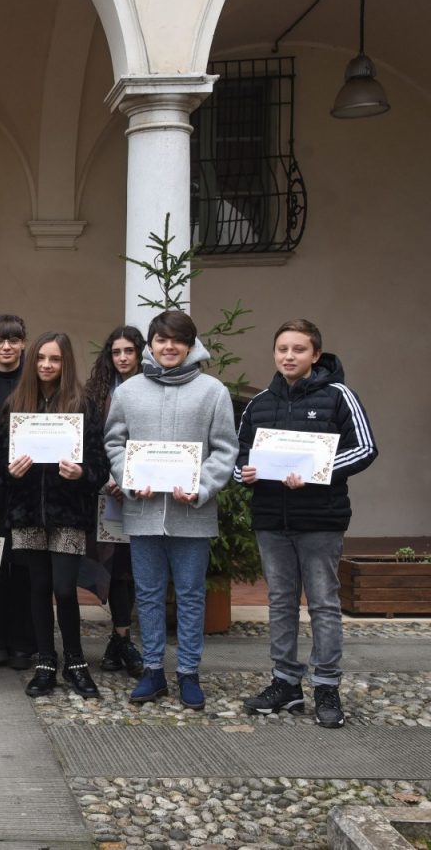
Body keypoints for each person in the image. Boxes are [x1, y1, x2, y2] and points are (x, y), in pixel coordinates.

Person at [237, 319, 377, 729]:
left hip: (320, 520)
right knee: (280, 602)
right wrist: (241, 472)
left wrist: (320, 471)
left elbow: (366, 448)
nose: (289, 356)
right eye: (282, 349)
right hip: (271, 520)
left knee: (323, 604)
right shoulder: (259, 402)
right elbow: (239, 455)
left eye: (298, 349)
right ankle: (285, 682)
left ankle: (327, 686)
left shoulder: (339, 397)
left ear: (316, 355)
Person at [105, 311, 238, 711]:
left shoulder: (212, 391)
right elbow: (115, 443)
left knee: (191, 595)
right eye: (161, 340)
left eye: (176, 340)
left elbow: (225, 449)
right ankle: (152, 671)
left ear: (190, 345)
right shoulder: (129, 392)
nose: (168, 347)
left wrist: (200, 486)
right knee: (146, 594)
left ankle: (188, 673)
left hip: (192, 514)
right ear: (151, 345)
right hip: (144, 511)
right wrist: (129, 478)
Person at [0, 332, 109, 699]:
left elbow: (99, 467)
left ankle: (75, 661)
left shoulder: (83, 406)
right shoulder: (16, 404)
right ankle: (46, 660)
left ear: (66, 364)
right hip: (27, 512)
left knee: (64, 588)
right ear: (33, 362)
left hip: (68, 512)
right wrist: (10, 471)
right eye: (42, 358)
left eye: (55, 359)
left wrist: (82, 474)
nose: (47, 365)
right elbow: (0, 463)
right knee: (38, 588)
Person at [84, 326, 147, 679]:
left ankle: (120, 638)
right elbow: (92, 440)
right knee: (111, 566)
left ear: (140, 354)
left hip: (143, 492)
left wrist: (131, 478)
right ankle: (120, 639)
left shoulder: (153, 388)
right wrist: (108, 478)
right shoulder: (97, 394)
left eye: (129, 351)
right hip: (105, 492)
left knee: (130, 568)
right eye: (116, 352)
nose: (123, 358)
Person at [0, 313, 33, 669]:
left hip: (29, 490)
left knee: (26, 569)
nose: (7, 347)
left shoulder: (35, 381)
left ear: (23, 343)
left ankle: (23, 642)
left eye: (13, 340)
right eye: (0, 340)